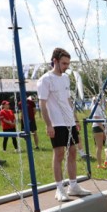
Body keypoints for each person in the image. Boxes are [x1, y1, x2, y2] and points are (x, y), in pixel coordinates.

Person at [37, 47, 91, 201]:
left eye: (68, 63)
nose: (67, 66)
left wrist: (75, 119)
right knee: (59, 154)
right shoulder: (45, 79)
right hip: (56, 122)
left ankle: (73, 185)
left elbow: (68, 100)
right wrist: (48, 124)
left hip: (69, 122)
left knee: (73, 152)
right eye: (64, 63)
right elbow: (42, 104)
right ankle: (59, 188)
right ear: (55, 61)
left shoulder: (66, 78)